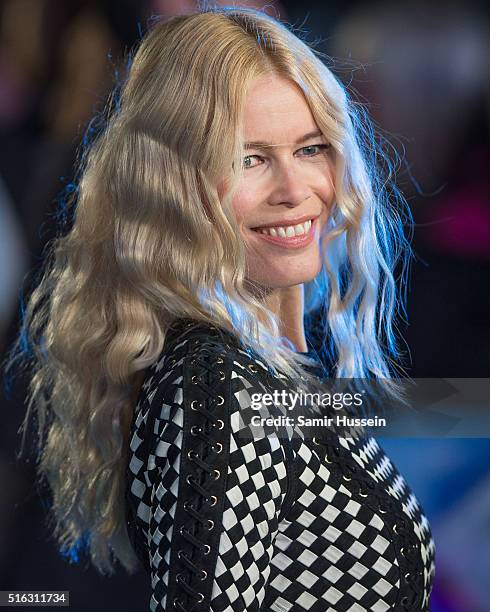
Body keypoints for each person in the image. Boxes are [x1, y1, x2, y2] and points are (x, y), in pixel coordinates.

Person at [4, 6, 435, 611]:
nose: (293, 189)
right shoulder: (217, 387)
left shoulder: (252, 368)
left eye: (310, 148)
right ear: (175, 186)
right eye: (249, 159)